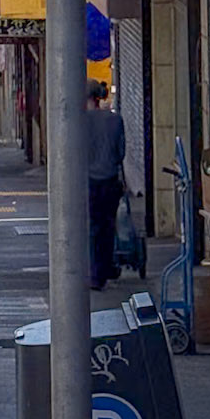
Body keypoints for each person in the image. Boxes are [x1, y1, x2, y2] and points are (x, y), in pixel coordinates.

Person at [86, 83, 126, 288]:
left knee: (92, 227)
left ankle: (95, 274)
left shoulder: (78, 122)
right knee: (108, 225)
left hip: (88, 182)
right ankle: (106, 265)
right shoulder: (115, 119)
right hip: (110, 180)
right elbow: (121, 153)